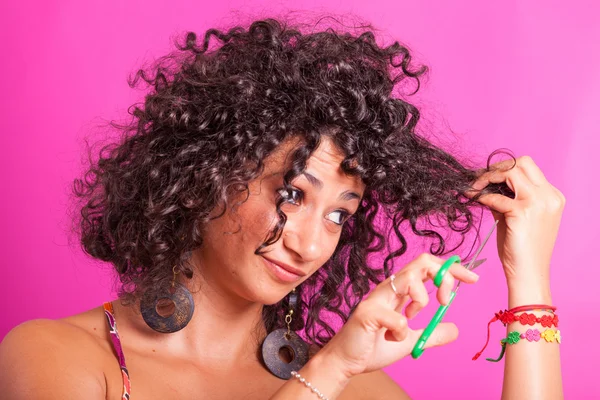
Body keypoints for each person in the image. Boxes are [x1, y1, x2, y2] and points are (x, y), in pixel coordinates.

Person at [0, 17, 565, 399]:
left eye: (340, 214)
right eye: (292, 195)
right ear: (206, 176)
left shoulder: (356, 382)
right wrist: (326, 371)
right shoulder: (60, 357)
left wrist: (529, 277)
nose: (312, 244)